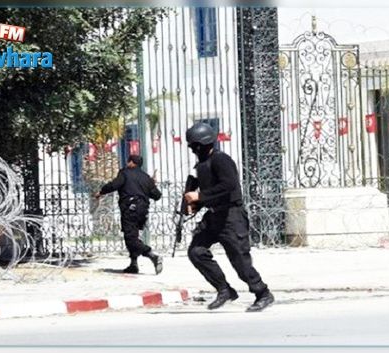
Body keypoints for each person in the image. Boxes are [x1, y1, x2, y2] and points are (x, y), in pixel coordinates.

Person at [184, 122, 274, 312]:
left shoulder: (221, 160)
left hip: (231, 217)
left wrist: (200, 196)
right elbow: (211, 192)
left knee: (240, 261)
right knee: (196, 252)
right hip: (213, 217)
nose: (192, 150)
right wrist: (196, 205)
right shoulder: (202, 165)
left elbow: (228, 186)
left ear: (203, 144)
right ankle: (224, 290)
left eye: (194, 146)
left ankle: (263, 293)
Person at [95, 154, 163, 275]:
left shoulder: (125, 173)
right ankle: (133, 264)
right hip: (143, 211)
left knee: (130, 238)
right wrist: (151, 184)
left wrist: (101, 191)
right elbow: (157, 195)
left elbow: (114, 185)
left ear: (131, 162)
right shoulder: (145, 177)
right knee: (134, 236)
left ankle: (152, 255)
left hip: (130, 209)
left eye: (128, 161)